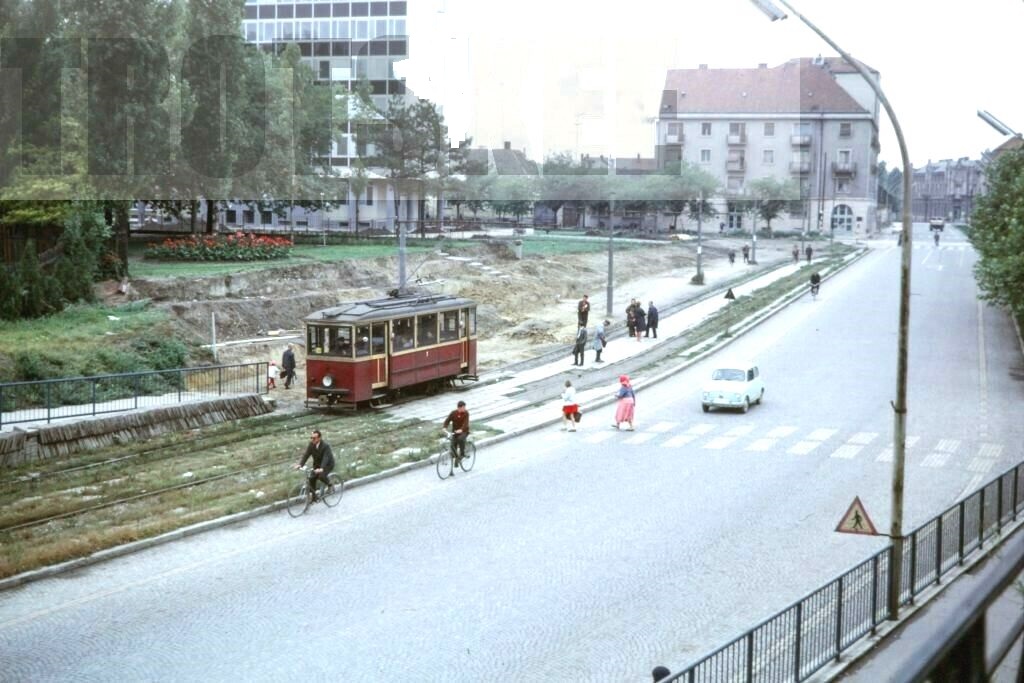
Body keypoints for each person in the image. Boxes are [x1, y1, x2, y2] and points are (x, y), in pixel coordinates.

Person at [294, 429, 335, 501]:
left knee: (321, 476)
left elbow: (326, 458)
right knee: (311, 479)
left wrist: (322, 468)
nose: (312, 440)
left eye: (314, 438)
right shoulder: (311, 445)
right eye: (311, 438)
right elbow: (306, 455)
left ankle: (330, 485)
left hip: (327, 464)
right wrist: (300, 464)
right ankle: (314, 497)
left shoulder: (325, 446)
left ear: (319, 438)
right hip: (317, 465)